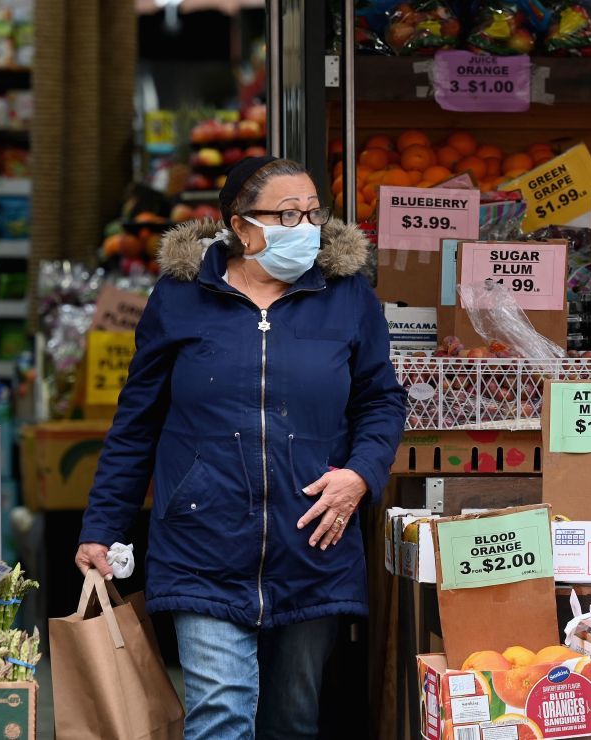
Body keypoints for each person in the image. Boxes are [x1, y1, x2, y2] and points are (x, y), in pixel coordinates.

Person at [75, 156, 407, 740]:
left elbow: (381, 401)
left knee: (292, 719)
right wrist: (103, 527)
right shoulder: (180, 298)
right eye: (285, 214)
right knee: (221, 713)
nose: (305, 226)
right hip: (203, 538)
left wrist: (359, 476)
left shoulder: (348, 295)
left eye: (312, 212)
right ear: (240, 225)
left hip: (312, 539)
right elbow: (138, 421)